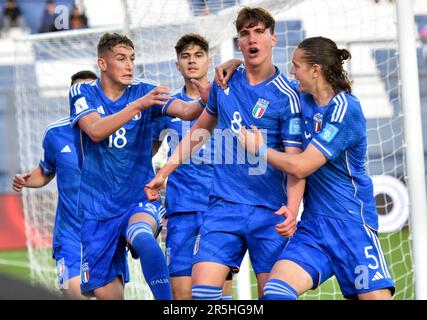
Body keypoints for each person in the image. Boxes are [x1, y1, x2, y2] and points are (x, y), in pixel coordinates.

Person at [145, 7, 305, 300]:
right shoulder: (225, 83)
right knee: (203, 294)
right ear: (239, 42)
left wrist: (293, 210)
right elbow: (198, 133)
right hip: (223, 208)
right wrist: (163, 174)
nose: (252, 38)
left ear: (273, 39)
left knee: (275, 295)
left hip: (269, 211)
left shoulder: (288, 96)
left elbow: (296, 163)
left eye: (259, 32)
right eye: (245, 33)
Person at [237, 36, 395, 300]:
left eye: (296, 65)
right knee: (275, 290)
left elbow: (301, 166)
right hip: (313, 228)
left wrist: (260, 149)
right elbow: (268, 79)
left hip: (352, 228)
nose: (291, 71)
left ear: (315, 70)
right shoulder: (301, 97)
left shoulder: (346, 109)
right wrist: (234, 63)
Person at [69, 32, 209, 300]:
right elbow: (96, 130)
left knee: (143, 238)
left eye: (132, 58)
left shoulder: (145, 89)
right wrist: (137, 106)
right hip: (97, 211)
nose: (129, 65)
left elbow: (187, 111)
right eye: (121, 59)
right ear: (103, 64)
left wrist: (204, 99)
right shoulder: (83, 91)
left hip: (137, 201)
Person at [152, 33, 233, 300]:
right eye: (185, 56)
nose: (192, 61)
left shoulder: (227, 99)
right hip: (182, 211)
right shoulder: (168, 106)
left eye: (198, 55)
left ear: (209, 62)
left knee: (218, 296)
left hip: (219, 210)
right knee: (182, 295)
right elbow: (146, 154)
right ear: (177, 64)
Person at [12, 70, 98, 300]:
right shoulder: (55, 133)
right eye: (78, 90)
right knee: (74, 294)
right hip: (69, 233)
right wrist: (26, 179)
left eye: (91, 89)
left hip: (104, 232)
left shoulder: (112, 131)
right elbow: (45, 172)